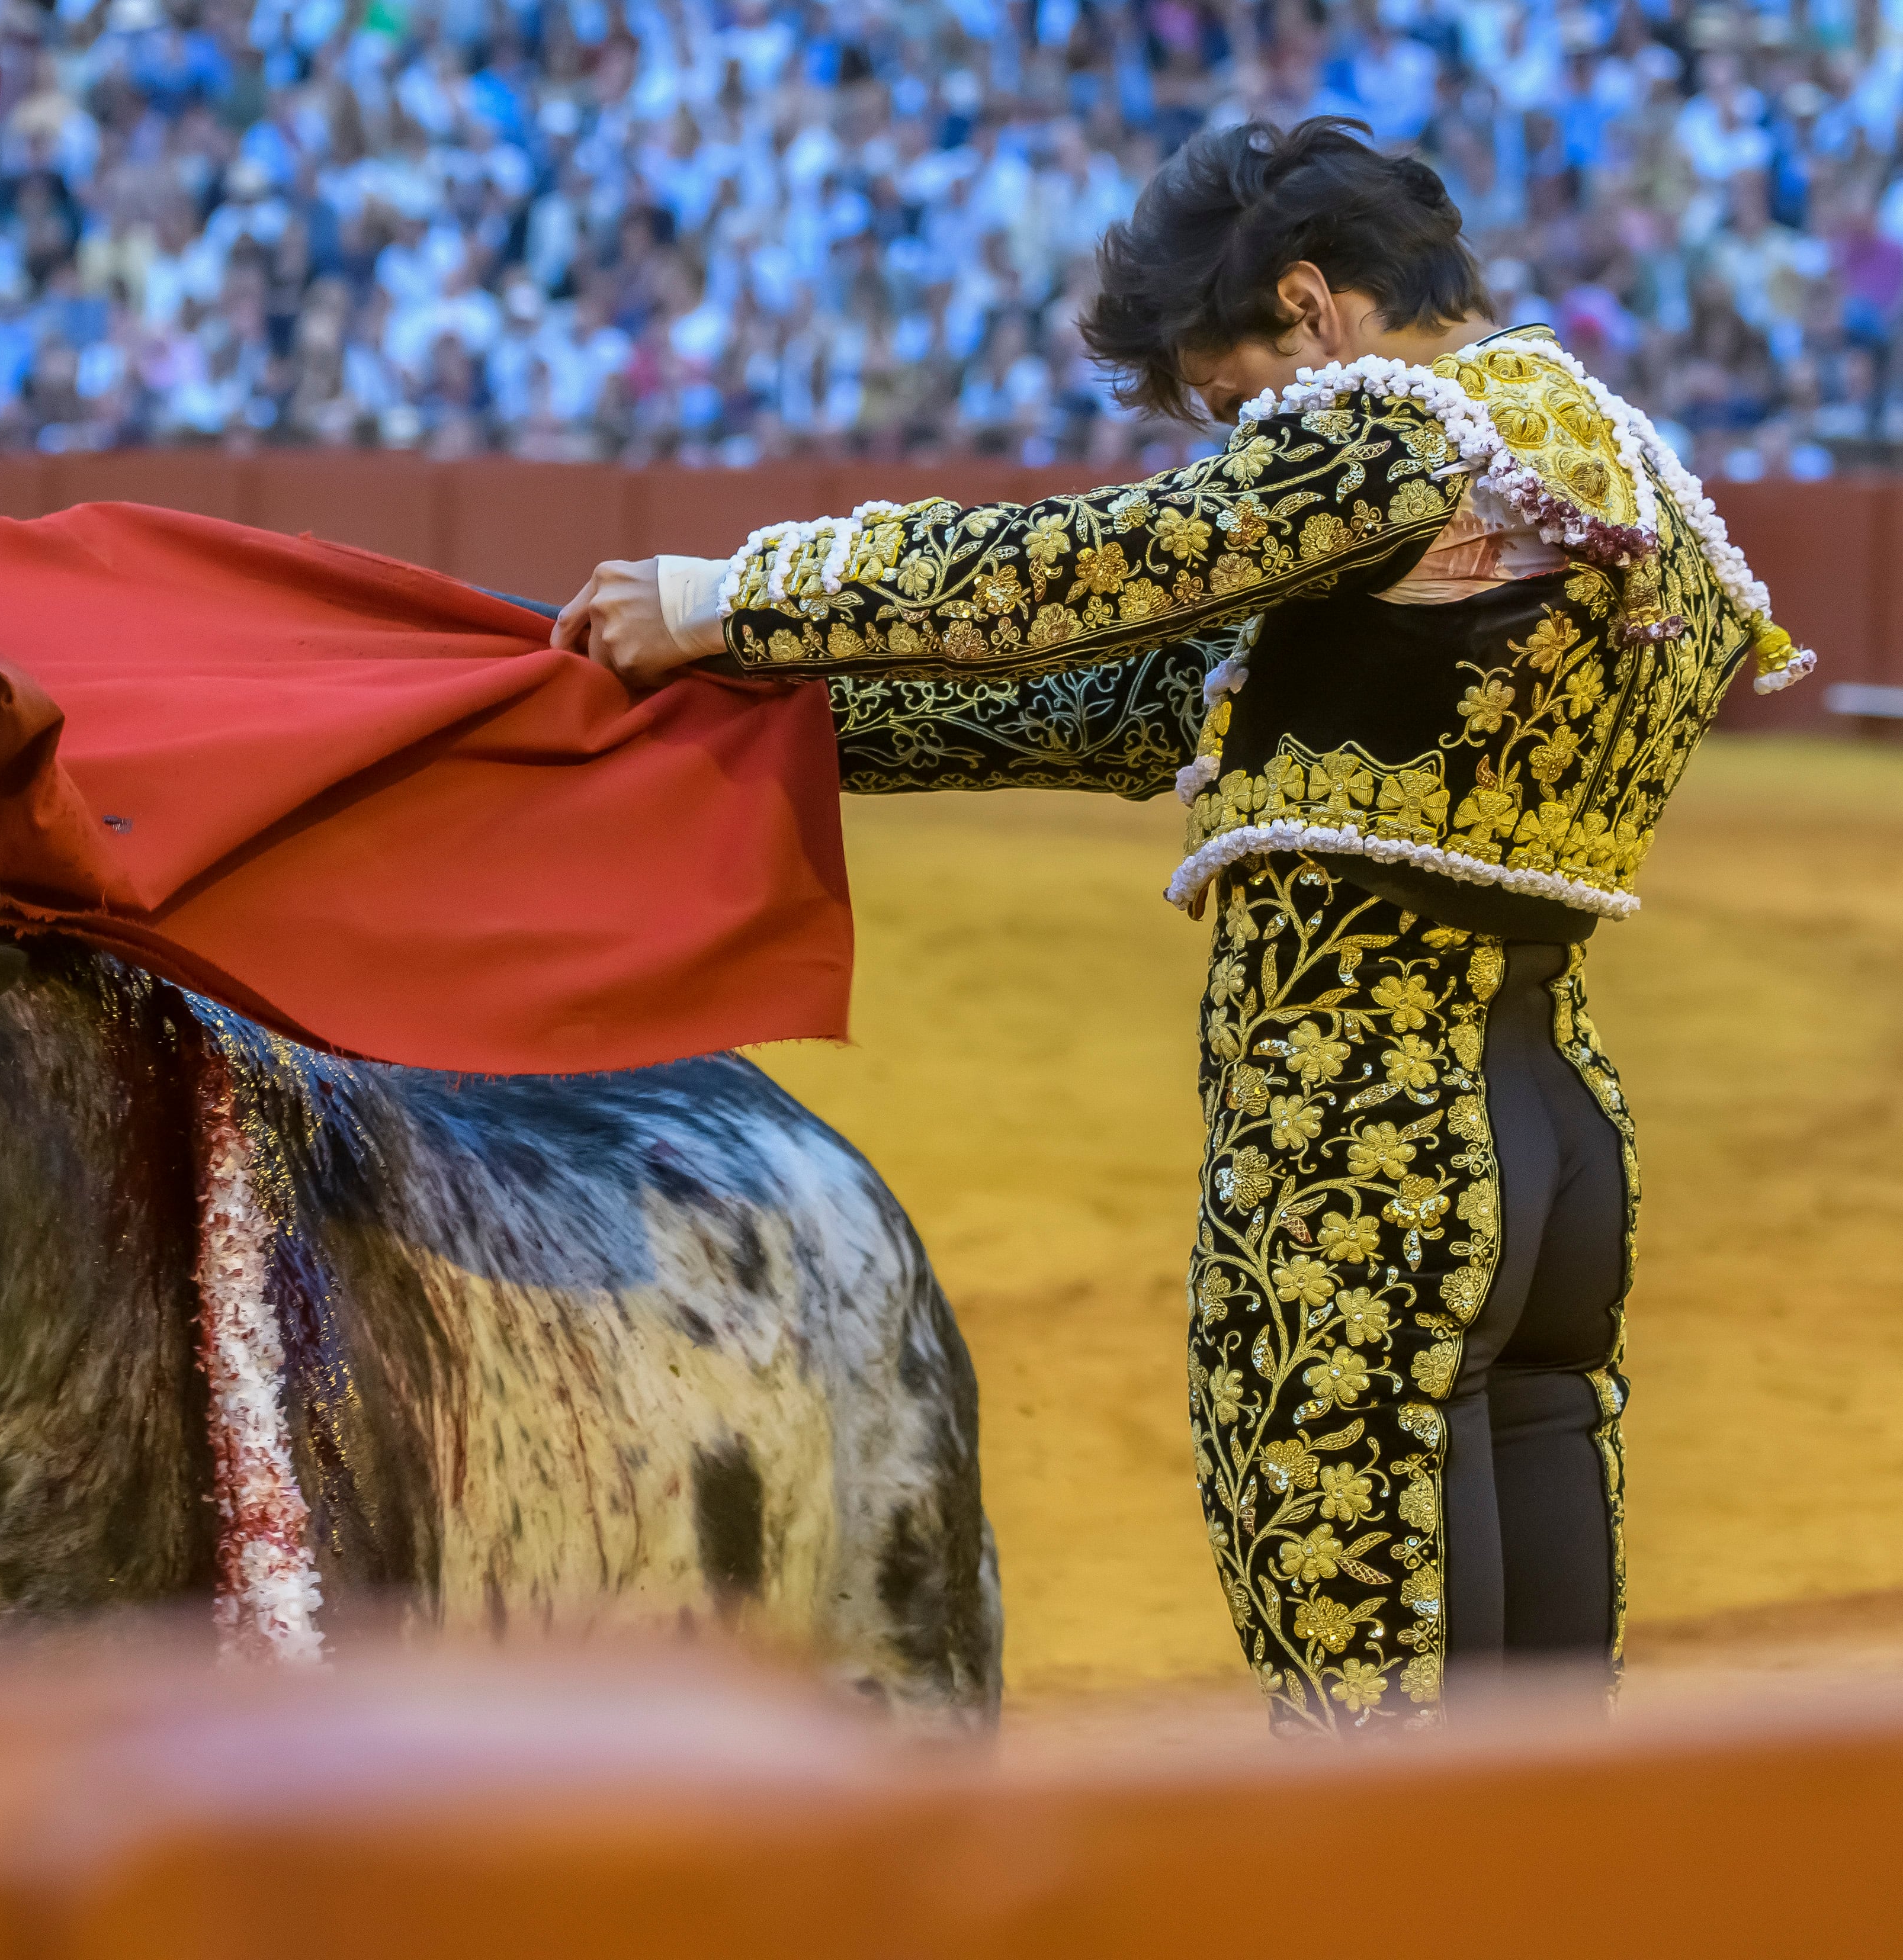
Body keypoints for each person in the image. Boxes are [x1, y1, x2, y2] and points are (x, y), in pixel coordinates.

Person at [553, 118, 1815, 1736]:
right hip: (1551, 1128)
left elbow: (1093, 566)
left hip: (1367, 1132)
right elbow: (1138, 703)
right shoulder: (1617, 475)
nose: (1234, 448)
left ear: (1316, 307)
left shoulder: (1406, 433)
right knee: (1534, 1745)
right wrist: (747, 718)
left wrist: (736, 594)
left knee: (1373, 1734)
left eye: (1236, 406)